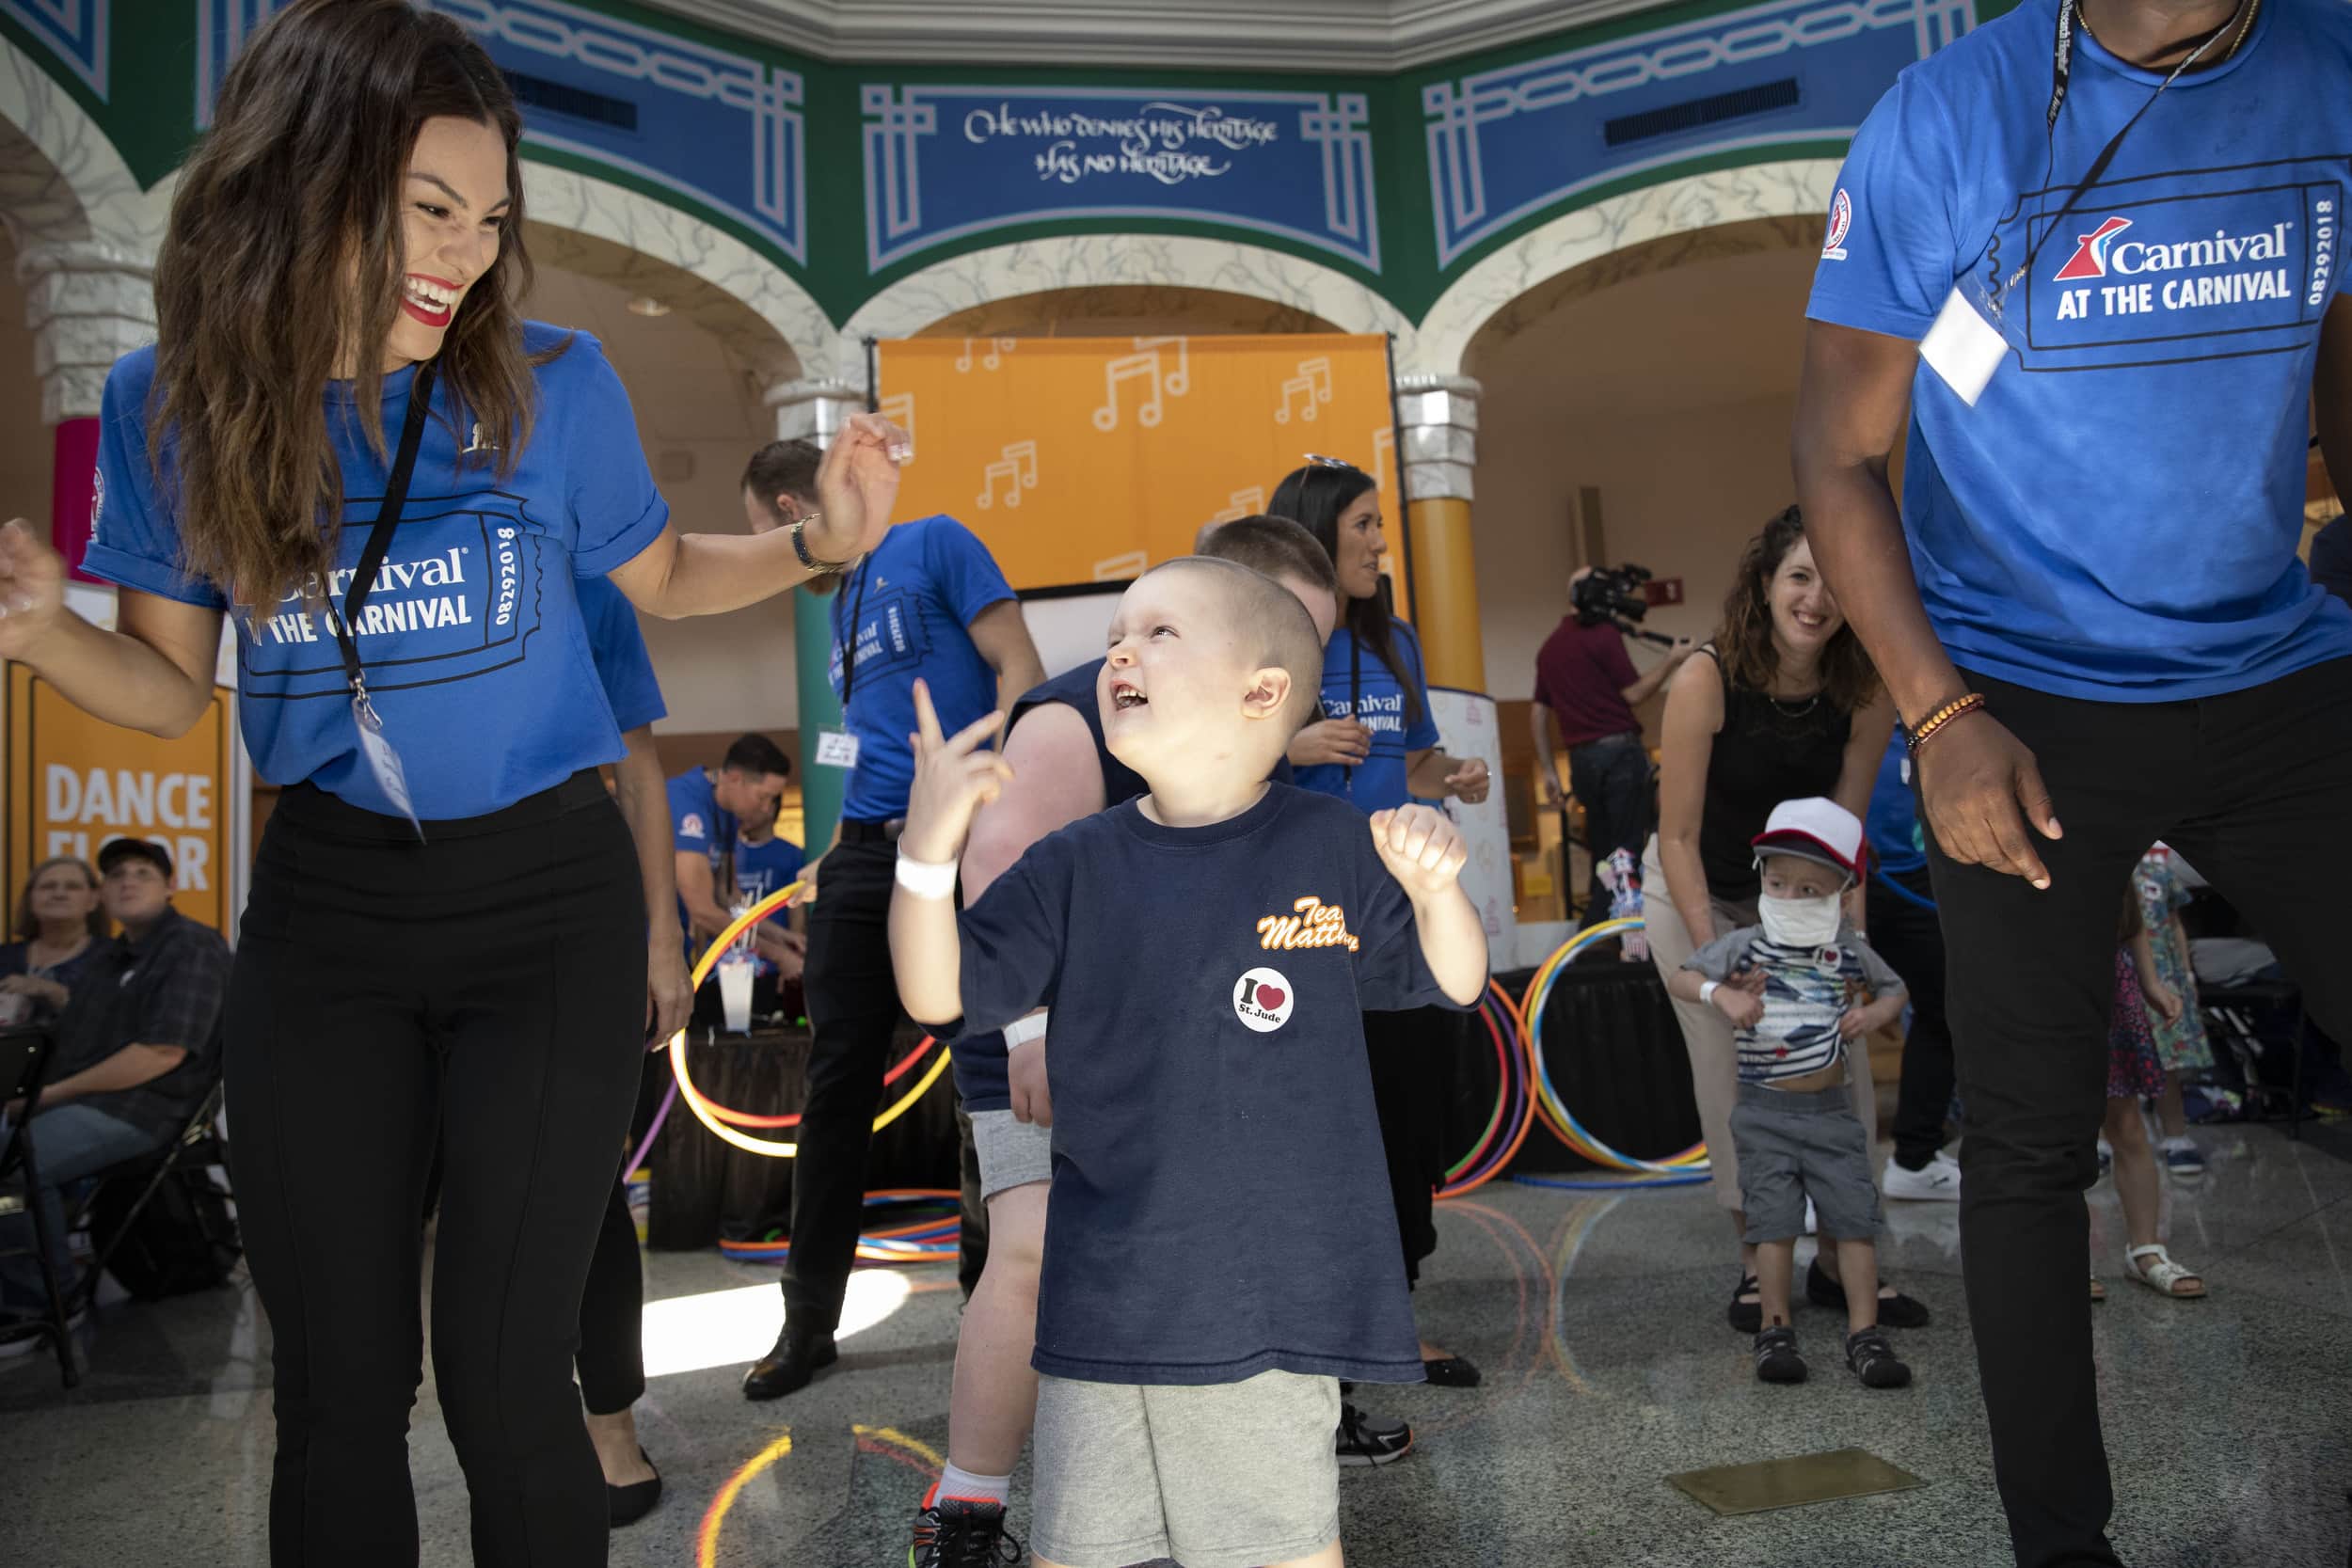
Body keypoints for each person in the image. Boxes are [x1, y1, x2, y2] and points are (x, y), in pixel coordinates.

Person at [0, 3, 906, 1557]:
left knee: (507, 1380)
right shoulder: (177, 401)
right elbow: (165, 687)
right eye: (428, 209)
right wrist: (41, 636)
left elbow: (672, 569)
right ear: (306, 177)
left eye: (488, 220)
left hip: (540, 901)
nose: (465, 255)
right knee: (341, 1389)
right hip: (328, 911)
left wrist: (820, 543)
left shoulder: (553, 381)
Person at [1793, 0, 2352, 1560]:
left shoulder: (2332, 68)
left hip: (2278, 661)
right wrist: (1939, 712)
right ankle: (2062, 1541)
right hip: (2015, 692)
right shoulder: (1947, 118)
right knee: (2032, 1138)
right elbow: (1836, 452)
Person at [889, 557, 1486, 1568]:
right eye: (1118, 633)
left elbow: (1455, 981)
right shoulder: (1074, 861)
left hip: (1268, 1304)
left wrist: (1437, 892)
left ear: (1261, 693)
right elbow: (937, 993)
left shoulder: (1330, 843)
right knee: (1085, 1546)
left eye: (1160, 632)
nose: (1121, 648)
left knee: (1276, 1545)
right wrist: (923, 854)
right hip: (1103, 1299)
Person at [738, 438, 1043, 1402]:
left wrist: (1002, 820)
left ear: (799, 502)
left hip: (962, 842)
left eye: (767, 532)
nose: (772, 554)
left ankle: (991, 1308)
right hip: (866, 855)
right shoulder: (836, 612)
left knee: (981, 1076)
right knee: (835, 1088)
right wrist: (832, 852)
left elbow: (1020, 670)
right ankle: (806, 1320)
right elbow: (866, 748)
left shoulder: (937, 543)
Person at [1644, 507, 1913, 1337]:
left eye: (1836, 578)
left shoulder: (1863, 686)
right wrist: (1724, 959)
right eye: (1800, 575)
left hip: (1808, 902)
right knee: (1737, 1083)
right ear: (1766, 586)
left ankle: (1839, 1259)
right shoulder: (1705, 678)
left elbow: (1845, 834)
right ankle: (1758, 1269)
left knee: (1843, 1079)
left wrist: (1847, 950)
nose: (1817, 596)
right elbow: (1679, 834)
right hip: (1704, 893)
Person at [1269, 456, 1489, 1384]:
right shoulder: (1267, 641)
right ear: (1315, 534)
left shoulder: (1394, 637)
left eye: (1377, 524)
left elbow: (1408, 762)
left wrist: (1453, 777)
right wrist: (1290, 741)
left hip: (1401, 926)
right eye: (1361, 523)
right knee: (1322, 1135)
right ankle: (1318, 1317)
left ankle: (1393, 1315)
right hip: (1303, 930)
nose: (1376, 540)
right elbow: (1204, 768)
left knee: (1410, 1123)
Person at [1667, 799, 1913, 1389]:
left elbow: (1896, 987)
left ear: (1840, 895)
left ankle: (1865, 1332)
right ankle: (1775, 1330)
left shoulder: (1845, 948)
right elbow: (1683, 975)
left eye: (1809, 889)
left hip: (1832, 1115)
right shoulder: (1747, 946)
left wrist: (1873, 1011)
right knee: (1772, 1227)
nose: (1790, 897)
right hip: (1764, 1115)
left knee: (1854, 1223)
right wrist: (1721, 996)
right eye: (1778, 883)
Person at [0, 840, 230, 1336]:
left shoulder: (190, 945)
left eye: (143, 873)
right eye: (116, 874)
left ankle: (45, 1307)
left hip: (143, 1110)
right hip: (84, 1101)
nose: (127, 881)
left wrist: (42, 1100)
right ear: (102, 894)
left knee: (16, 1159)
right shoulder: (111, 958)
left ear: (171, 886)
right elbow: (69, 1043)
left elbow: (161, 1054)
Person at [571, 576, 691, 1528]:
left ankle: (610, 1420)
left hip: (562, 900)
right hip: (373, 895)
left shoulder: (580, 577)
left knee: (582, 1188)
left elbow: (639, 768)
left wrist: (663, 942)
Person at [1530, 570, 1696, 919]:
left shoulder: (1549, 648)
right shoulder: (1604, 636)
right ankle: (1628, 938)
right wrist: (1673, 660)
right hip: (1620, 755)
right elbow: (1633, 693)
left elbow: (1537, 715)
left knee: (1603, 852)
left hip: (1581, 762)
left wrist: (1548, 770)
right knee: (1628, 849)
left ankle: (1597, 926)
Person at [1866, 730, 1963, 1200]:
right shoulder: (1850, 698)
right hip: (1836, 872)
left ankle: (1916, 1158)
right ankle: (1808, 1183)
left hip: (1921, 876)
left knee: (1944, 1009)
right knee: (1815, 1016)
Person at [2095, 893, 2205, 1304]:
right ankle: (2062, 1256)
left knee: (2127, 1124)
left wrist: (2151, 981)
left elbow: (2129, 909)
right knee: (2062, 1131)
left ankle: (2145, 1249)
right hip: (2048, 981)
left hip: (2111, 976)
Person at [669, 734, 802, 978]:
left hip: (674, 951)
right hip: (641, 947)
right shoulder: (686, 804)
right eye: (763, 797)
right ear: (734, 778)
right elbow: (703, 911)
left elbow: (729, 898)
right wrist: (778, 955)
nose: (766, 808)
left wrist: (782, 937)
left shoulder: (728, 815)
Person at [0, 858, 107, 1027]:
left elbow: (117, 1023)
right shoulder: (4, 956)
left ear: (93, 899)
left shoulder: (115, 958)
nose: (59, 894)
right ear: (30, 899)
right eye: (47, 886)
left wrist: (54, 993)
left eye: (72, 887)